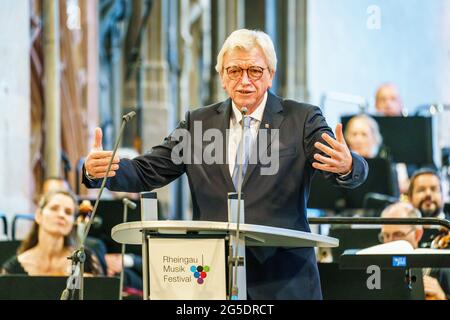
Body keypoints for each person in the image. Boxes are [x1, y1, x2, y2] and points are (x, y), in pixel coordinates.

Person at [83, 29, 368, 299]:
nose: (244, 80)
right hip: (212, 276)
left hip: (284, 278)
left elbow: (346, 167)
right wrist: (102, 170)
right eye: (234, 71)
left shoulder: (302, 118)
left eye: (255, 71)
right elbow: (148, 170)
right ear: (222, 76)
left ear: (270, 75)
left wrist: (347, 165)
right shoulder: (198, 123)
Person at [1, 189, 103, 276]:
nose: (61, 215)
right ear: (38, 215)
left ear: (72, 222)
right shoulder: (13, 269)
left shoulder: (84, 260)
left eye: (68, 212)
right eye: (54, 208)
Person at [378, 202, 449, 300]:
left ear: (417, 234)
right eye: (385, 235)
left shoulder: (442, 270)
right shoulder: (375, 269)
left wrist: (442, 297)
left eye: (398, 234)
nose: (389, 242)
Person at [344, 114, 409, 194]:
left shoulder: (390, 162)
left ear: (374, 137)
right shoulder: (343, 166)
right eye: (354, 134)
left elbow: (402, 188)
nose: (358, 140)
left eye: (364, 134)